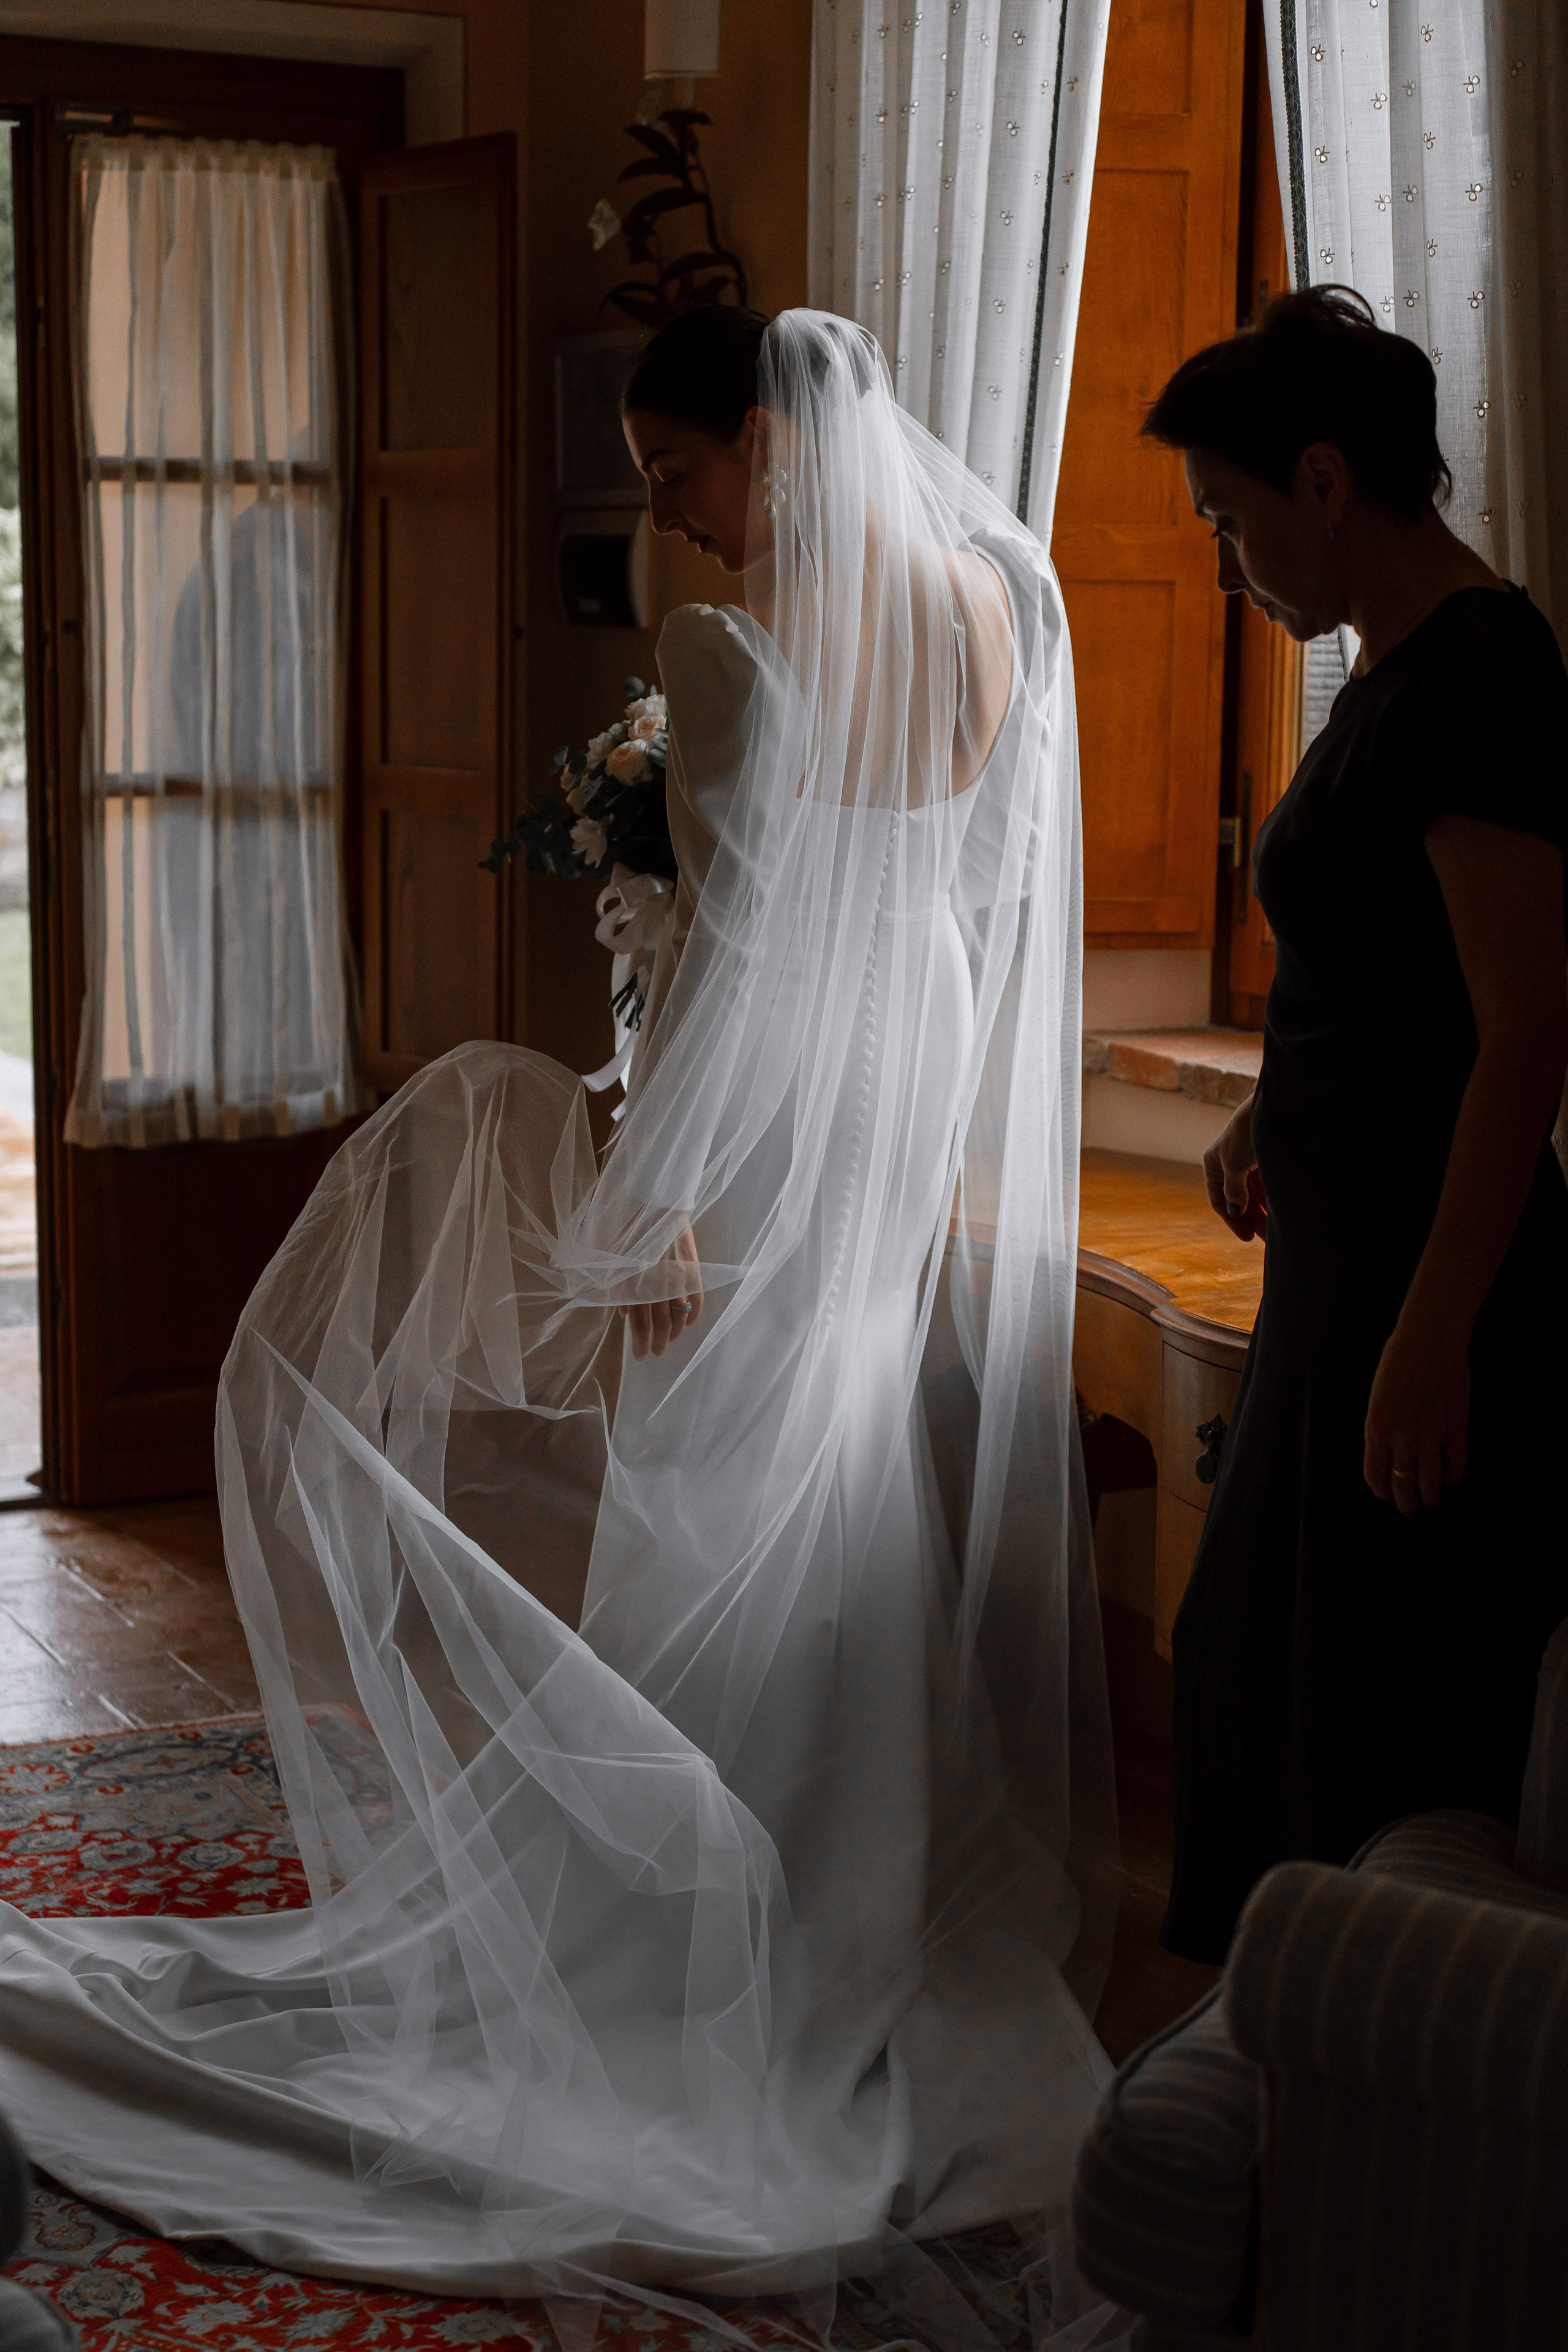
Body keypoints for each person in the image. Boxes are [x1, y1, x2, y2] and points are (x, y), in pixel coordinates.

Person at [0, 311, 1116, 2333]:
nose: (667, 517)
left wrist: (651, 1203)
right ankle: (834, 1904)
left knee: (705, 1475)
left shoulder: (727, 656)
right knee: (837, 1465)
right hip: (904, 1090)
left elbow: (744, 959)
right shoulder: (1009, 591)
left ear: (774, 444)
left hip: (777, 1117)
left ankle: (700, 1919)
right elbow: (982, 903)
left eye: (679, 468)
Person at [1142, 287, 1568, 1965]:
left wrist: (1434, 1329)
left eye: (1231, 522)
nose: (1231, 568)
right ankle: (1287, 2074)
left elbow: (1527, 1029)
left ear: (1324, 479)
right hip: (1341, 1261)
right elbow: (1383, 974)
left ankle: (1343, 2084)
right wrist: (1268, 1103)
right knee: (1266, 1670)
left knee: (1359, 1699)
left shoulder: (1482, 674)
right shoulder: (1395, 675)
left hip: (1420, 1281)